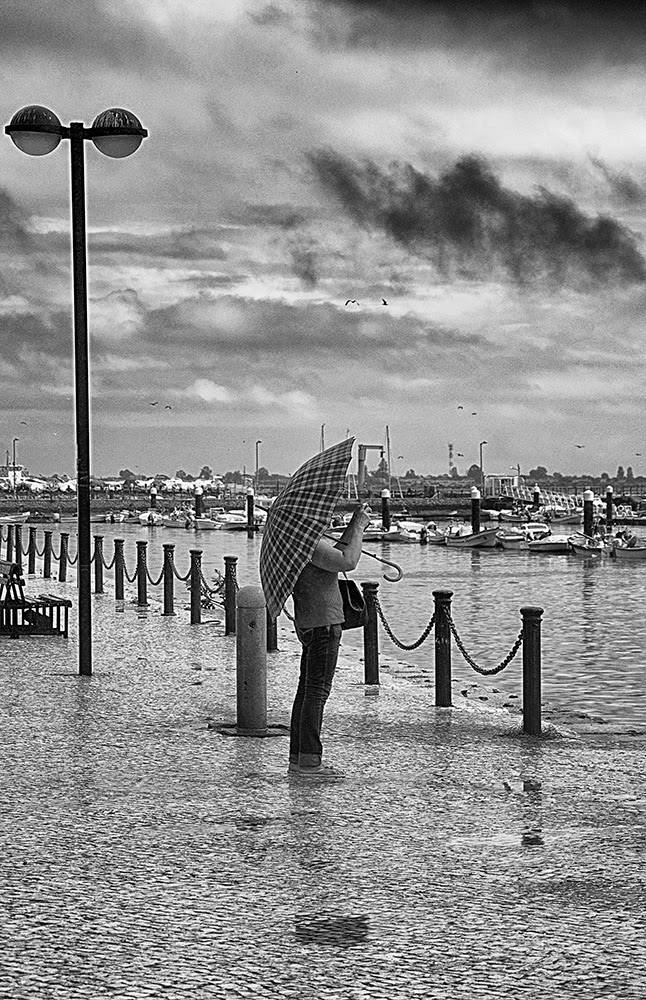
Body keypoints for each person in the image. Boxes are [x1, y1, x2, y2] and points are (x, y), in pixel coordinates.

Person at [288, 502, 371, 778]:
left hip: (311, 621)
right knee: (317, 692)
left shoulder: (297, 539)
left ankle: (299, 757)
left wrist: (352, 526)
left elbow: (339, 552)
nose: (325, 515)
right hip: (323, 622)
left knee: (307, 689)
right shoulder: (308, 542)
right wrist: (358, 526)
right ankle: (310, 762)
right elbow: (348, 561)